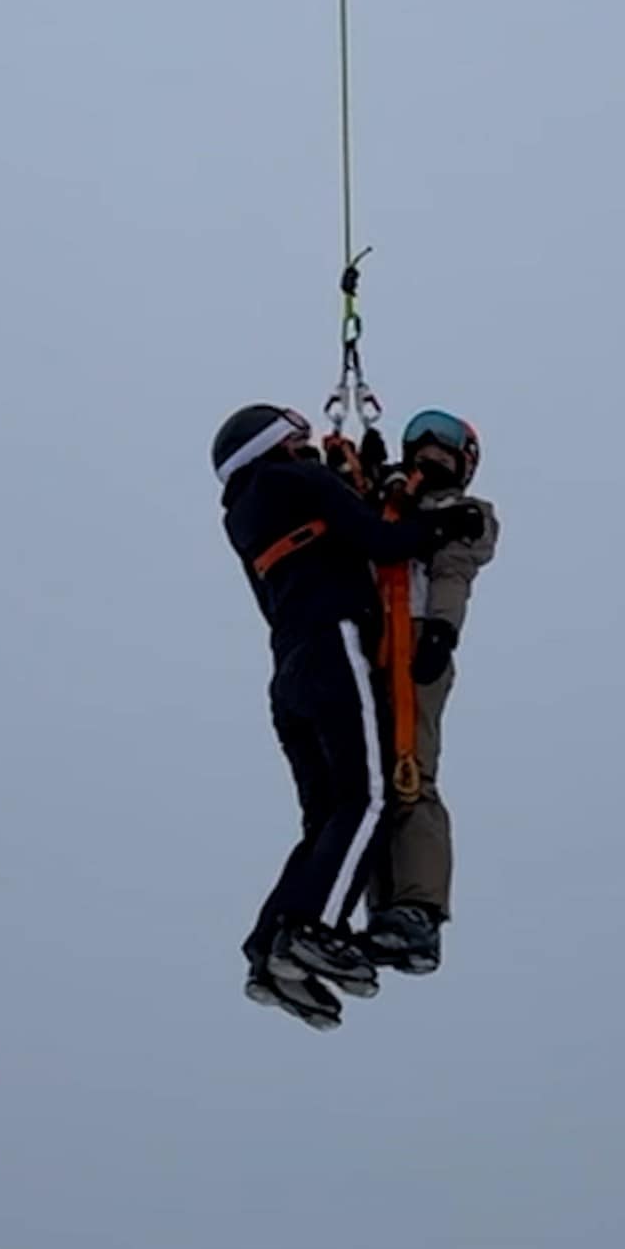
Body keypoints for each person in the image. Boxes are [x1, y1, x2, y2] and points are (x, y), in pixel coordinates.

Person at [212, 402, 484, 1029]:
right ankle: (315, 927)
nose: (308, 444)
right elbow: (381, 537)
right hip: (338, 646)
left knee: (328, 818)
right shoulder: (300, 482)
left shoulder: (249, 511)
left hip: (292, 671)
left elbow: (367, 523)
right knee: (369, 799)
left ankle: (273, 948)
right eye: (298, 436)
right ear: (276, 442)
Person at [363, 411, 498, 977]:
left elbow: (453, 569)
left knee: (410, 769)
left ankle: (418, 909)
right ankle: (379, 910)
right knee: (366, 782)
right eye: (424, 440)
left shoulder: (462, 513)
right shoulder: (390, 501)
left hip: (417, 638)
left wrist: (442, 630)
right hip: (369, 636)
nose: (432, 452)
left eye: (448, 447)